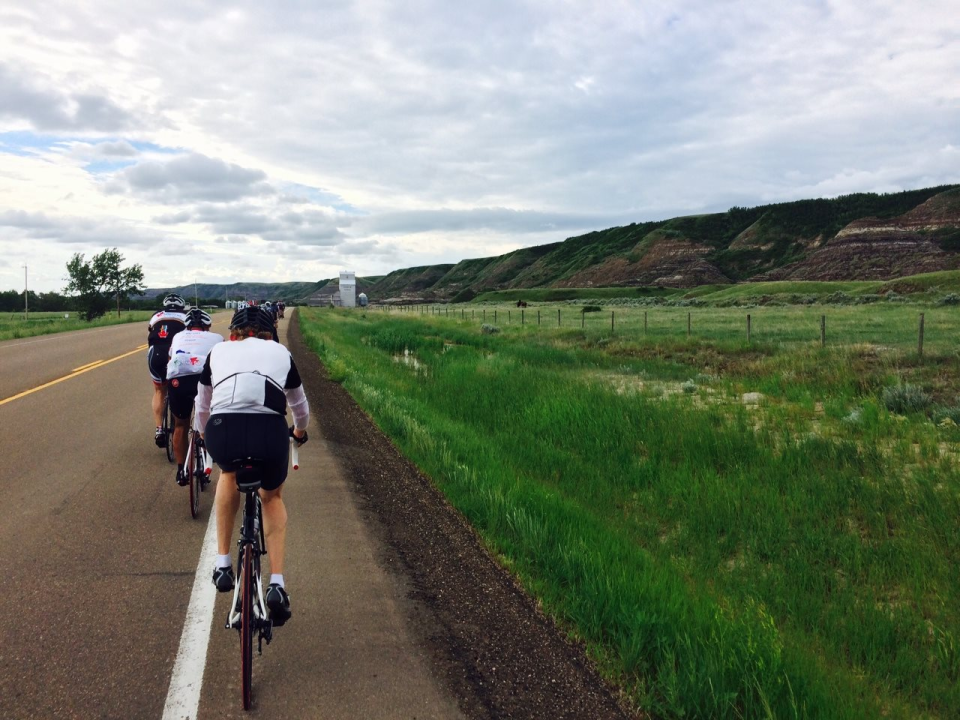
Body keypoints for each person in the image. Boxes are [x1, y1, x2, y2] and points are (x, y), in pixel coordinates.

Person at [195, 306, 309, 626]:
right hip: (269, 434)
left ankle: (222, 563)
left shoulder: (218, 351)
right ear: (270, 333)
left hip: (223, 429)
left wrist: (204, 435)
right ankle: (277, 585)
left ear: (234, 334)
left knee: (228, 474)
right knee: (271, 497)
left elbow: (202, 404)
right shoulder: (280, 353)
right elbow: (299, 406)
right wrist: (299, 433)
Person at [166, 308, 223, 485]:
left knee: (180, 424)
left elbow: (171, 358)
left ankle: (182, 470)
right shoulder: (217, 338)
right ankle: (208, 452)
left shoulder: (177, 337)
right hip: (204, 379)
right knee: (210, 418)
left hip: (178, 379)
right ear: (208, 326)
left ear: (187, 326)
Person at [148, 294, 188, 446]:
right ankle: (181, 426)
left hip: (156, 352)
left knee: (159, 391)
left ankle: (159, 429)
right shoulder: (185, 316)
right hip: (176, 353)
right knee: (180, 389)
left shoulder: (156, 315)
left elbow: (150, 332)